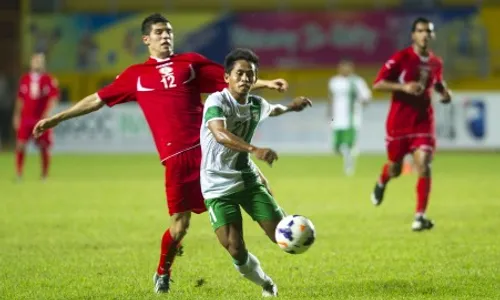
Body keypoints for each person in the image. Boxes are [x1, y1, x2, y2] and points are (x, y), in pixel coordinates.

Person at [32, 13, 288, 293]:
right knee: (179, 227)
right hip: (176, 161)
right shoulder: (135, 76)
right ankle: (163, 272)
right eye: (158, 32)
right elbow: (97, 99)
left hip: (208, 151)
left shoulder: (189, 63)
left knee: (255, 180)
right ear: (146, 39)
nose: (165, 36)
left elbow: (234, 79)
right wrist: (58, 117)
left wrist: (266, 83)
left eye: (169, 31)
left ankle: (282, 229)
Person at [201, 48, 312, 297]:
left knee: (280, 234)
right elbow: (219, 134)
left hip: (246, 179)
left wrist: (292, 107)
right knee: (235, 248)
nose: (245, 79)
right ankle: (266, 283)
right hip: (216, 185)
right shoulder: (217, 101)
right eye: (239, 74)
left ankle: (292, 232)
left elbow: (273, 110)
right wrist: (254, 149)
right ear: (227, 77)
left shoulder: (256, 104)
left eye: (250, 75)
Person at [370, 17, 452, 231]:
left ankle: (419, 216)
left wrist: (444, 93)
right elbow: (378, 84)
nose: (424, 34)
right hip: (399, 123)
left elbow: (438, 84)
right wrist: (404, 87)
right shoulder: (401, 58)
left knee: (424, 164)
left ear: (431, 35)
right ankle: (382, 180)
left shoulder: (436, 62)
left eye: (428, 31)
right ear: (413, 34)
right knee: (395, 168)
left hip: (423, 122)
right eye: (420, 31)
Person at [13, 52, 59, 180]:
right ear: (31, 62)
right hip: (26, 118)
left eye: (40, 61)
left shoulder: (49, 79)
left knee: (44, 146)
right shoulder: (25, 79)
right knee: (20, 144)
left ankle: (44, 174)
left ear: (43, 63)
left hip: (41, 119)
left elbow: (53, 98)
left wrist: (47, 114)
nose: (37, 63)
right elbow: (20, 99)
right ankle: (19, 173)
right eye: (35, 61)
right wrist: (16, 115)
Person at [328, 59, 371, 176]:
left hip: (351, 119)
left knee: (348, 144)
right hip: (336, 119)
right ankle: (347, 160)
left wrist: (360, 104)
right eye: (342, 67)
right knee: (336, 147)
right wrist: (329, 117)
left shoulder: (357, 82)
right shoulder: (334, 81)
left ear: (351, 68)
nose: (344, 69)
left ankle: (349, 167)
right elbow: (331, 99)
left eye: (347, 67)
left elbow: (366, 98)